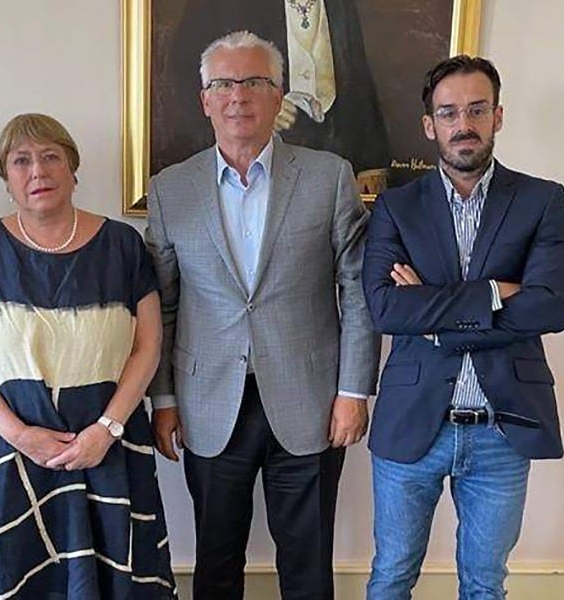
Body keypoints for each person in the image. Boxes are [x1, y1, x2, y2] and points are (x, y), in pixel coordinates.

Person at [146, 31, 380, 599]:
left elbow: (357, 290)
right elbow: (163, 306)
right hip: (208, 403)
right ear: (204, 99)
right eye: (223, 84)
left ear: (278, 96)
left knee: (307, 564)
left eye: (254, 82)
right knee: (216, 563)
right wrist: (165, 399)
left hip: (310, 399)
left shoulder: (328, 177)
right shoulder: (170, 189)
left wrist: (354, 390)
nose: (238, 96)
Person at [362, 56, 564, 599]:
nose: (464, 124)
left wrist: (434, 319)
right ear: (429, 125)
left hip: (501, 429)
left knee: (485, 584)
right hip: (412, 422)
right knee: (391, 576)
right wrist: (494, 294)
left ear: (498, 116)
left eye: (477, 109)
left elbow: (551, 308)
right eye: (449, 112)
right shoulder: (395, 207)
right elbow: (386, 309)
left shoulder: (542, 200)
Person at [0, 113, 176, 599]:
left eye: (50, 156)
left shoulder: (123, 245)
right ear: (6, 178)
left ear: (73, 168)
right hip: (10, 454)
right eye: (21, 161)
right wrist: (19, 435)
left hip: (108, 449)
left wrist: (106, 430)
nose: (38, 171)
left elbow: (147, 345)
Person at [153, 0, 390, 194]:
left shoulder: (341, 5)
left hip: (335, 149)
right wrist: (256, 103)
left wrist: (370, 159)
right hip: (262, 164)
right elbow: (186, 69)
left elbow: (356, 72)